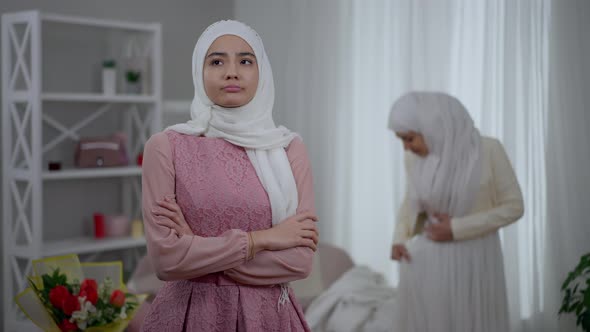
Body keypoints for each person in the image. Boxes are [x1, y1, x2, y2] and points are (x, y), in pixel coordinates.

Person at [140, 20, 318, 331]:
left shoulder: (288, 148)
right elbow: (166, 261)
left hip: (269, 319)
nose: (231, 72)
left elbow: (299, 262)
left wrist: (196, 248)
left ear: (261, 71)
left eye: (245, 61)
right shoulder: (166, 146)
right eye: (217, 61)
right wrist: (263, 240)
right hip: (189, 316)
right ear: (199, 71)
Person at [388, 91, 524, 332]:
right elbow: (413, 207)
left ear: (434, 126)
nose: (406, 148)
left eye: (410, 138)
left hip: (475, 260)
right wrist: (400, 239)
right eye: (402, 140)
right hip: (430, 265)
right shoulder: (415, 160)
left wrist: (457, 228)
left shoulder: (489, 150)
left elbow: (514, 206)